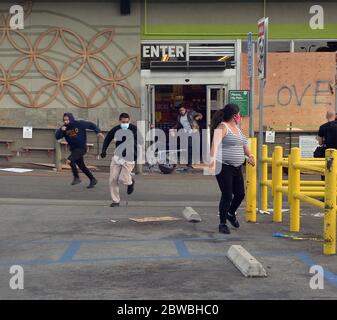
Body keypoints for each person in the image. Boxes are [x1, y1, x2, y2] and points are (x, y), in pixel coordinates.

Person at [209, 104, 255, 234]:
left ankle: (230, 213)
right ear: (235, 115)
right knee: (227, 195)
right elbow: (214, 145)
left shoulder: (238, 129)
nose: (240, 117)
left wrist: (250, 155)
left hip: (237, 167)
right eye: (239, 114)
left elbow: (245, 145)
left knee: (240, 194)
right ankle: (222, 223)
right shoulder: (222, 127)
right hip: (223, 166)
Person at [100, 113, 142, 207]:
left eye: (127, 122)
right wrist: (103, 150)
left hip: (129, 157)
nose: (125, 124)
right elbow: (108, 138)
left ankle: (130, 182)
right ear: (120, 121)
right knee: (113, 179)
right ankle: (116, 201)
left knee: (123, 179)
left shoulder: (133, 129)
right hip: (117, 156)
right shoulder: (116, 129)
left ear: (129, 121)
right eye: (123, 122)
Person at [55, 112, 104, 188]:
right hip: (74, 150)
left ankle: (76, 177)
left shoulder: (79, 124)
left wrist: (98, 132)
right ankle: (93, 179)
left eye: (67, 120)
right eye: (64, 120)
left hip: (81, 148)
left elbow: (92, 125)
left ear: (71, 119)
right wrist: (61, 130)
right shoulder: (64, 128)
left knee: (69, 160)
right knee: (82, 166)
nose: (66, 122)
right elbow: (57, 137)